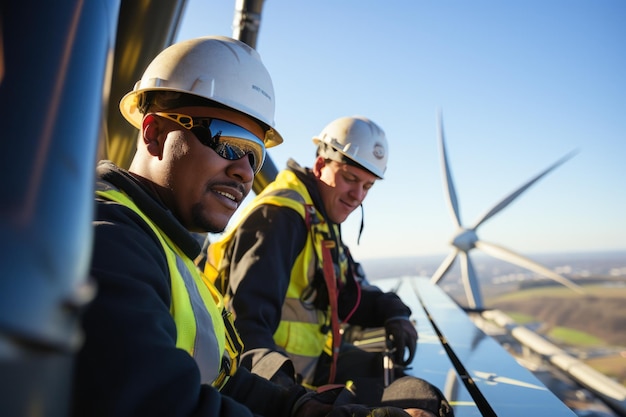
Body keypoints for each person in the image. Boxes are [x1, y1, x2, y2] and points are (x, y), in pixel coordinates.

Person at [71, 36, 427, 417]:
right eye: (227, 141)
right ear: (155, 133)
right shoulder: (109, 242)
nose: (244, 171)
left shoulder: (170, 246)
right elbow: (164, 401)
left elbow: (225, 378)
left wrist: (304, 409)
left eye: (255, 155)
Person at [206, 116, 423, 403]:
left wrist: (394, 312)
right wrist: (292, 402)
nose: (357, 196)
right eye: (350, 178)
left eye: (367, 186)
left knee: (409, 388)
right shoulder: (280, 217)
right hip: (274, 385)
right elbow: (246, 326)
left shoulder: (319, 217)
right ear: (321, 166)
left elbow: (346, 296)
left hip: (309, 368)